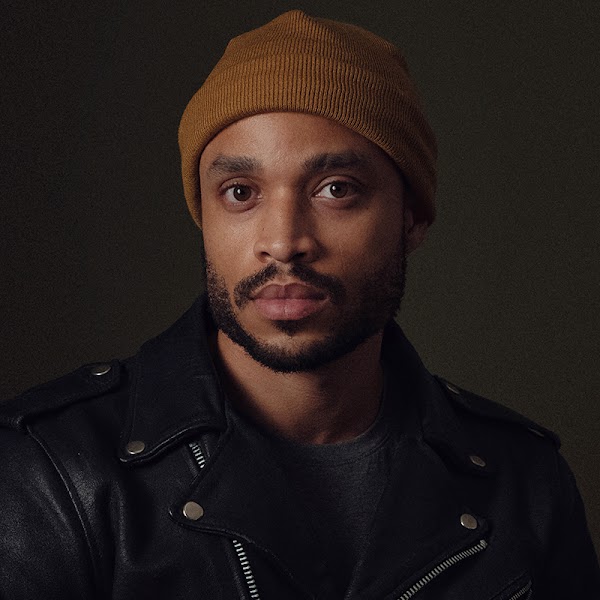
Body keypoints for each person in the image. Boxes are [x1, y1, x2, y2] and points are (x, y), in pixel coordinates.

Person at [1, 10, 598, 599]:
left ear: (412, 216)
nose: (284, 241)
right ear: (203, 217)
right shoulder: (52, 470)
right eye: (241, 193)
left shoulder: (523, 480)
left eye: (337, 190)